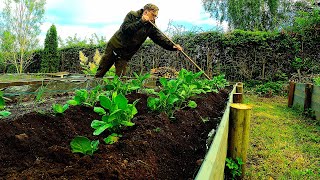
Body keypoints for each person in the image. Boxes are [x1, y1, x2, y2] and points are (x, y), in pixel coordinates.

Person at [95, 3, 183, 78]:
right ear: (146, 12)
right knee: (101, 71)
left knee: (121, 78)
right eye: (153, 15)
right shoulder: (132, 15)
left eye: (156, 16)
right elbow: (126, 29)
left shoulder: (150, 26)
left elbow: (159, 39)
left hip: (125, 54)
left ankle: (117, 95)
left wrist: (172, 46)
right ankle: (93, 92)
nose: (154, 18)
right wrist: (141, 21)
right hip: (115, 47)